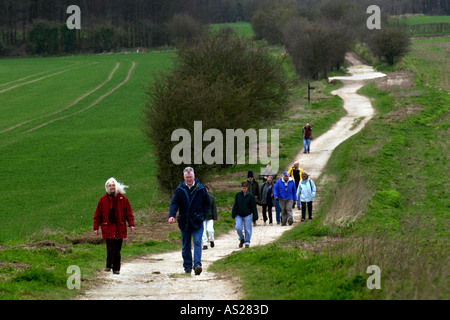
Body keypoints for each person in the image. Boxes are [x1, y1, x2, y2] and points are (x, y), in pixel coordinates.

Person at [169, 167, 211, 275]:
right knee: (186, 245)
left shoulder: (200, 189)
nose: (189, 179)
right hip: (184, 222)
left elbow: (207, 202)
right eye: (187, 177)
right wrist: (171, 215)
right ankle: (187, 267)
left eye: (190, 177)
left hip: (197, 221)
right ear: (184, 177)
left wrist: (203, 215)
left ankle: (197, 265)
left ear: (194, 176)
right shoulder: (179, 190)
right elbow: (174, 203)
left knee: (197, 242)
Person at [93, 177, 135, 275]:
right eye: (109, 186)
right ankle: (108, 265)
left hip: (119, 227)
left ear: (116, 186)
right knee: (110, 247)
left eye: (113, 185)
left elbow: (128, 213)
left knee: (117, 249)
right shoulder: (103, 200)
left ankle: (116, 269)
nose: (112, 187)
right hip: (108, 227)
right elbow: (98, 214)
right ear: (107, 187)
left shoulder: (122, 199)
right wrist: (96, 227)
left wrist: (131, 224)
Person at [231, 181, 258, 248]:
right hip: (239, 214)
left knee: (248, 229)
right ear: (241, 188)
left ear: (247, 188)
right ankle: (242, 238)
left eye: (245, 188)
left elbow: (253, 206)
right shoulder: (238, 195)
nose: (244, 190)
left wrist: (255, 215)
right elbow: (235, 205)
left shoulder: (250, 196)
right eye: (243, 188)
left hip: (247, 214)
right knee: (238, 227)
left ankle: (247, 242)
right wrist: (233, 213)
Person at [202, 185, 217, 250]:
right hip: (202, 217)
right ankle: (205, 244)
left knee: (210, 229)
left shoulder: (211, 197)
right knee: (203, 231)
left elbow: (214, 208)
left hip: (210, 217)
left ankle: (211, 240)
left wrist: (215, 217)